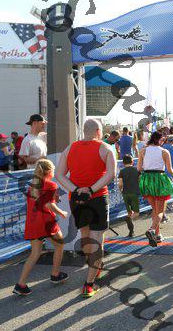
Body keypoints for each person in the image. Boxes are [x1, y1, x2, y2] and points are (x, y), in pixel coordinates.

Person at [56, 119, 117, 298]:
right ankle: (89, 284)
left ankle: (94, 265)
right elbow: (111, 174)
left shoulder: (70, 148)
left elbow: (59, 174)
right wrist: (90, 190)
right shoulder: (106, 148)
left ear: (84, 130)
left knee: (85, 234)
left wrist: (76, 190)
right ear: (98, 131)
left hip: (76, 199)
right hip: (97, 198)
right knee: (96, 238)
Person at [14, 159, 68, 296]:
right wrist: (62, 212)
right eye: (53, 170)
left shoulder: (32, 186)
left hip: (33, 222)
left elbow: (40, 202)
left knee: (35, 253)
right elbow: (48, 204)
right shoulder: (51, 184)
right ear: (49, 171)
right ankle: (55, 274)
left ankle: (21, 284)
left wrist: (54, 199)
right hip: (46, 221)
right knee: (60, 245)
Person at [138, 131, 173, 246]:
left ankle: (157, 234)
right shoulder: (164, 151)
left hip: (147, 179)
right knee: (160, 211)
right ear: (160, 140)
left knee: (154, 209)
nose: (163, 142)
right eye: (163, 140)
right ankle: (151, 229)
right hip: (159, 179)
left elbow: (139, 168)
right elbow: (169, 170)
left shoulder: (143, 151)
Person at [118, 155, 140, 237]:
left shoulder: (122, 171)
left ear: (123, 163)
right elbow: (140, 180)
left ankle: (131, 232)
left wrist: (121, 190)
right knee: (136, 213)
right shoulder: (136, 170)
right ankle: (129, 219)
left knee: (129, 212)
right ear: (132, 162)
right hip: (134, 193)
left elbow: (120, 184)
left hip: (125, 193)